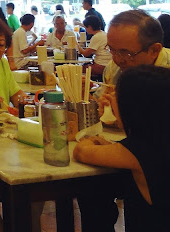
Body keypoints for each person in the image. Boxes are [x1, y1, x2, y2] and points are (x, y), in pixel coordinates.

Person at [73, 65, 170, 230]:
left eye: (116, 96)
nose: (111, 98)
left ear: (131, 108)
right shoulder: (156, 140)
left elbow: (81, 151)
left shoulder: (138, 149)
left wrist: (94, 139)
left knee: (93, 191)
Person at [102, 9, 170, 87]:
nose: (117, 60)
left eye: (126, 53)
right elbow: (102, 92)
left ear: (154, 50)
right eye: (112, 50)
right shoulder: (112, 68)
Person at [77, 15, 110, 80]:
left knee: (77, 69)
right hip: (108, 65)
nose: (86, 30)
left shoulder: (96, 37)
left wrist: (77, 45)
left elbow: (85, 54)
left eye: (86, 27)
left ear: (89, 27)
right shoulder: (103, 34)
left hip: (101, 66)